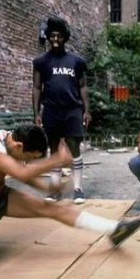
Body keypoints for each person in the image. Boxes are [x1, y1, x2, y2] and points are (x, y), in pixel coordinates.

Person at [0, 124, 140, 255]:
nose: (28, 161)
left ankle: (114, 230)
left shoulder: (13, 141)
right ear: (19, 146)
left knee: (52, 208)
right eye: (29, 157)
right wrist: (57, 159)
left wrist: (47, 187)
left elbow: (24, 172)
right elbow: (20, 173)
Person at [33, 16, 91, 204]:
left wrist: (86, 110)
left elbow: (82, 86)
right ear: (48, 37)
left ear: (65, 37)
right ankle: (55, 190)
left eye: (59, 36)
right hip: (51, 110)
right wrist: (36, 112)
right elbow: (36, 88)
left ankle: (78, 189)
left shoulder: (76, 61)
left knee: (74, 146)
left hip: (73, 109)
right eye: (52, 36)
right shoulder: (41, 62)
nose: (55, 40)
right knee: (54, 148)